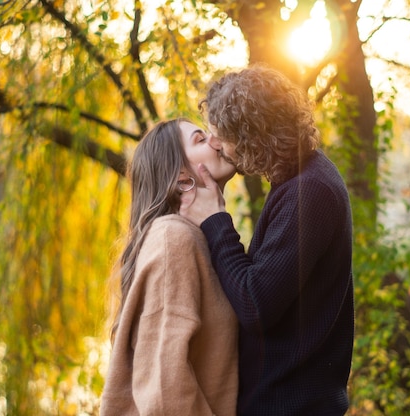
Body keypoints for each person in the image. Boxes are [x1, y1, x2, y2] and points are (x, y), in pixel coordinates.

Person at [179, 65, 355, 416]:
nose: (214, 143)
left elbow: (255, 306)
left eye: (219, 135)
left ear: (253, 135)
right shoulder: (296, 183)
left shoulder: (310, 191)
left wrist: (216, 220)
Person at [100, 118, 239, 416]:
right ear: (181, 176)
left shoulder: (199, 238)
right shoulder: (173, 239)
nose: (216, 141)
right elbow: (165, 390)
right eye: (200, 139)